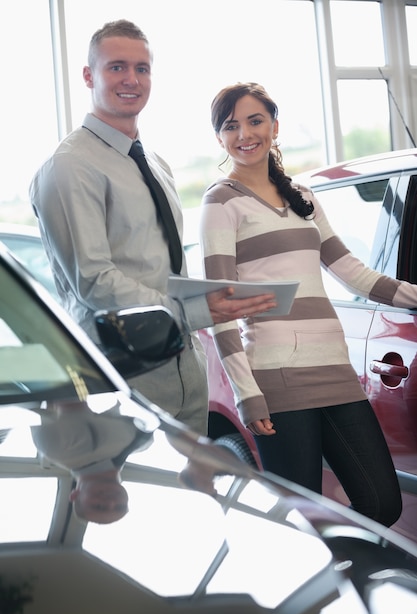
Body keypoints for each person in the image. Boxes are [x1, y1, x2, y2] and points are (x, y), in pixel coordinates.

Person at [29, 21, 276, 437]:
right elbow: (94, 282)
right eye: (117, 67)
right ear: (89, 76)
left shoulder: (155, 163)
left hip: (184, 367)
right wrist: (197, 311)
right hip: (122, 379)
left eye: (142, 69)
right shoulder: (70, 166)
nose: (132, 79)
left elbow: (164, 267)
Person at [200, 82, 417, 527]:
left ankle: (339, 570)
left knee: (383, 503)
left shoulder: (302, 196)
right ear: (220, 138)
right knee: (298, 518)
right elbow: (220, 307)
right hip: (277, 379)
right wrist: (247, 395)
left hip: (335, 370)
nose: (245, 133)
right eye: (231, 125)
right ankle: (311, 588)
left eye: (255, 121)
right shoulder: (220, 202)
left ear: (274, 127)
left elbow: (354, 272)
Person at [31, 402, 154, 524]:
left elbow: (67, 391)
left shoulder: (60, 448)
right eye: (120, 507)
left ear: (74, 495)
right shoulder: (141, 447)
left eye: (98, 506)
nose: (111, 502)